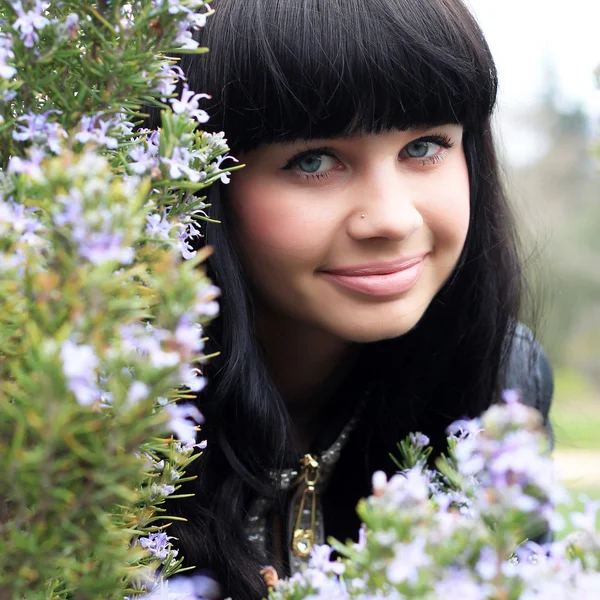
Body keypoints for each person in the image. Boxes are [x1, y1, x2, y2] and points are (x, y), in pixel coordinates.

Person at [155, 1, 555, 598]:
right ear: (200, 188)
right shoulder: (104, 409)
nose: (392, 220)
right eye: (313, 161)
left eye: (423, 148)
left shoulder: (500, 382)